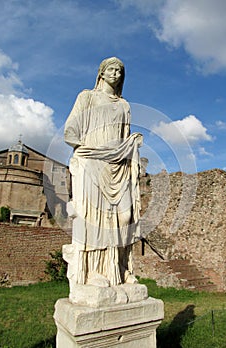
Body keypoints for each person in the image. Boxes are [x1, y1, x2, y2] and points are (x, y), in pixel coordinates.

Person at [64, 57, 142, 287]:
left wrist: (131, 143)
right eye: (111, 69)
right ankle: (92, 272)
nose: (116, 74)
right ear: (101, 73)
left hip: (117, 165)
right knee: (94, 218)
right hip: (91, 162)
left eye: (119, 71)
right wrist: (86, 147)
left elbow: (122, 134)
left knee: (123, 218)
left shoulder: (124, 105)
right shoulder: (87, 97)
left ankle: (119, 267)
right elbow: (70, 130)